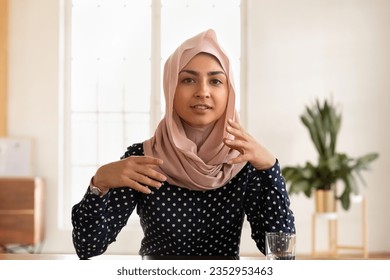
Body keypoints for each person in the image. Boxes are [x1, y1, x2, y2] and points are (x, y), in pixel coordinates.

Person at [71, 29, 295, 260]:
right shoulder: (143, 158)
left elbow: (281, 253)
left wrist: (270, 169)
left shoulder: (241, 161)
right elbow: (88, 247)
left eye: (216, 81)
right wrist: (99, 184)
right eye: (188, 80)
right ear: (170, 88)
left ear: (229, 92)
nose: (202, 92)